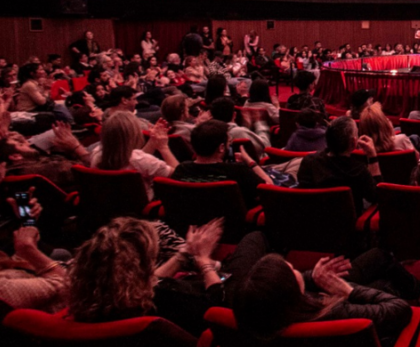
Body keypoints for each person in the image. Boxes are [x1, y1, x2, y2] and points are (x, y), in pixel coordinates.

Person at [232, 246, 420, 345]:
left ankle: (418, 288)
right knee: (387, 286)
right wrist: (348, 290)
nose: (293, 267)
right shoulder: (334, 313)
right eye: (290, 270)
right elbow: (400, 310)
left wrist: (314, 277)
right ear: (291, 290)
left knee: (379, 271)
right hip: (381, 333)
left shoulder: (253, 310)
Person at [66, 217, 228, 334]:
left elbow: (147, 282)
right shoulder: (164, 299)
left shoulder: (91, 298)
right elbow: (218, 307)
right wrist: (204, 260)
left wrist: (184, 253)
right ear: (141, 266)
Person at [170, 120, 270, 207]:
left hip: (190, 226)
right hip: (233, 227)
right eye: (228, 142)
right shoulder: (238, 171)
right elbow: (269, 190)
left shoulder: (182, 170)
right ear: (221, 148)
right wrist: (250, 161)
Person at [297, 116, 382, 211]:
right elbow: (377, 196)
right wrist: (372, 156)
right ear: (354, 143)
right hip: (348, 223)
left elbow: (302, 197)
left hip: (314, 220)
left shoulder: (309, 162)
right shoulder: (359, 171)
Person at [90, 112, 178, 199]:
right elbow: (180, 175)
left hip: (107, 205)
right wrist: (164, 147)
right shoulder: (141, 160)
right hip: (142, 208)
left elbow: (138, 160)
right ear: (133, 135)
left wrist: (152, 141)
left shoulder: (96, 154)